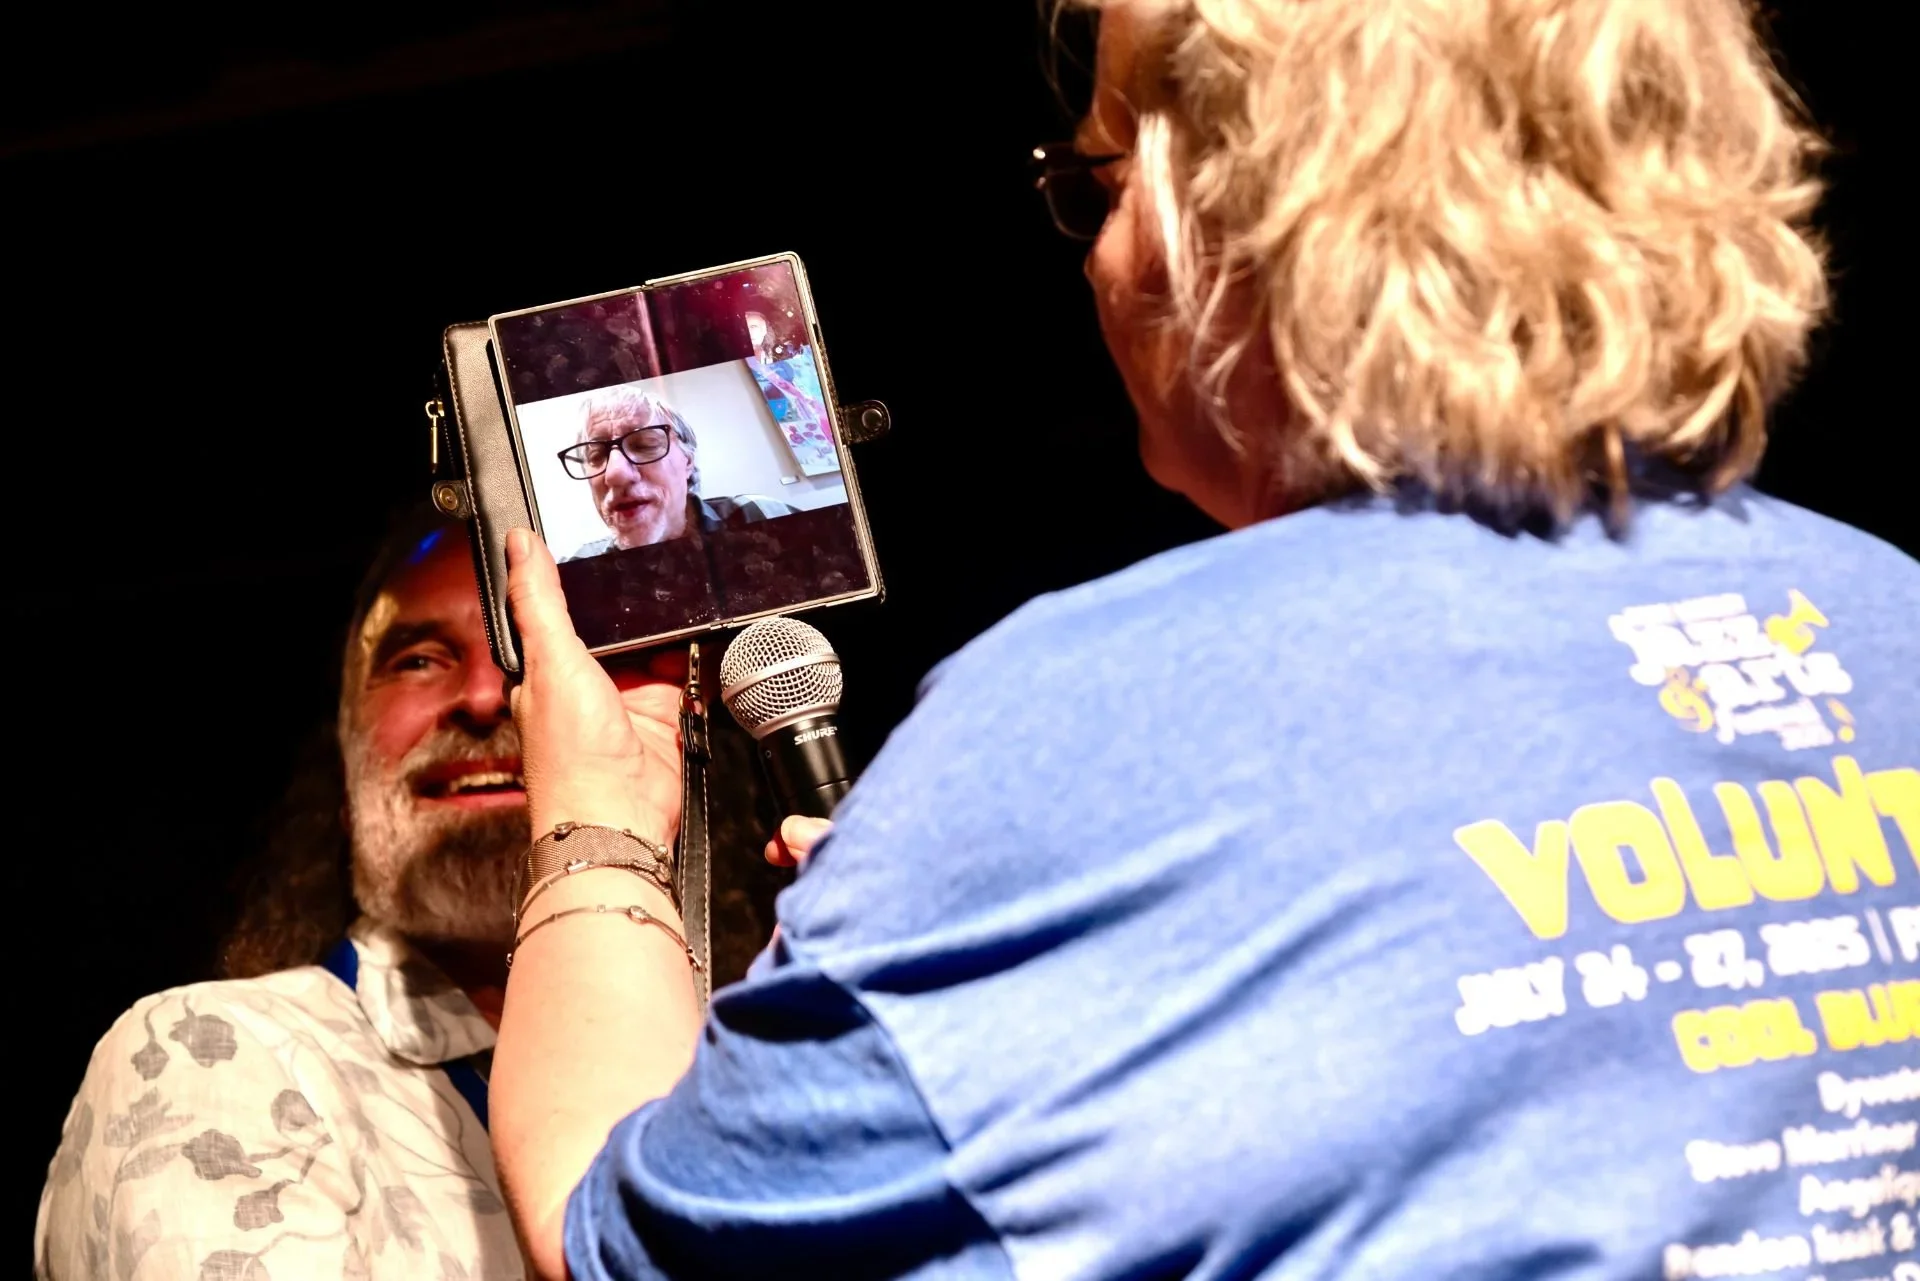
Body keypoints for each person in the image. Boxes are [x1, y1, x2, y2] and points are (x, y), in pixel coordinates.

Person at [490, 2, 1918, 1279]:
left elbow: (622, 1237)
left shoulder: (1073, 721)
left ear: (1226, 221)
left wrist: (601, 820)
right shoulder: (1890, 608)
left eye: (1098, 187)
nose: (1094, 260)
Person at [557, 385, 792, 560]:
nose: (615, 474)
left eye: (644, 445)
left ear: (687, 461)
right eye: (597, 455)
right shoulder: (575, 569)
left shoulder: (762, 516)